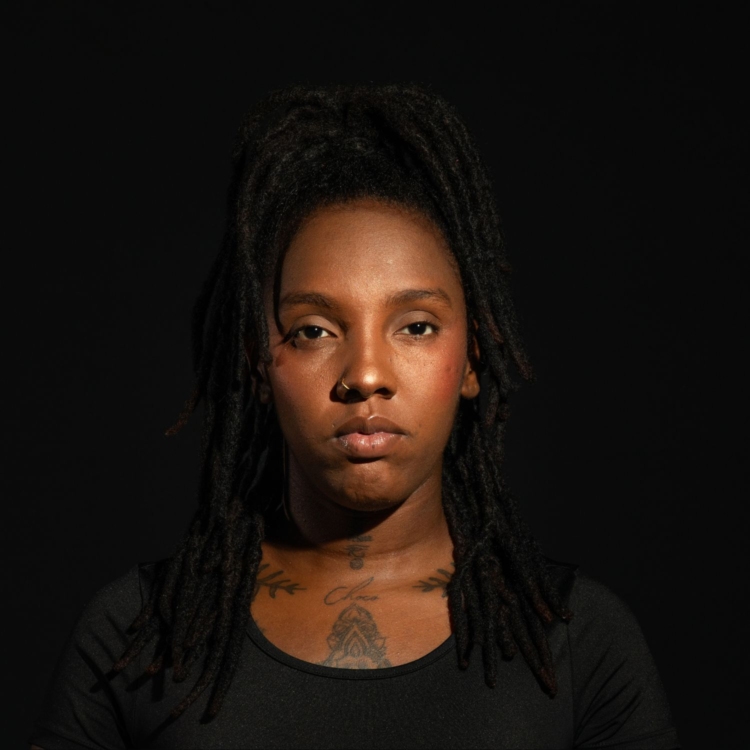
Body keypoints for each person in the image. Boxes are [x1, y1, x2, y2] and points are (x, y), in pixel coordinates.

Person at [29, 83, 680, 750]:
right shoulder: (136, 634)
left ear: (473, 359)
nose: (366, 374)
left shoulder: (579, 642)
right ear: (259, 365)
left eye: (416, 326)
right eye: (314, 330)